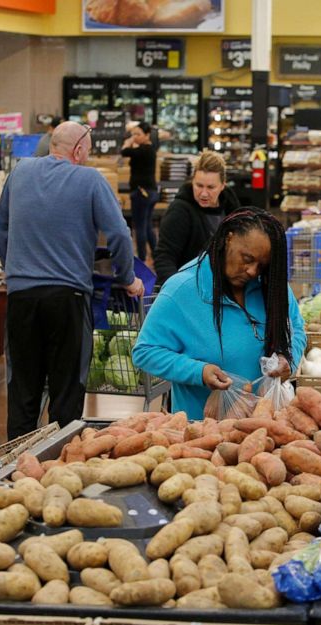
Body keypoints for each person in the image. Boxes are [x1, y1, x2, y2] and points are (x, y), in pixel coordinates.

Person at [0, 121, 144, 440]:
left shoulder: (19, 173)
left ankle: (14, 470)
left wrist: (15, 270)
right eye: (87, 152)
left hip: (20, 298)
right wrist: (127, 277)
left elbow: (2, 229)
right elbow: (118, 233)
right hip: (68, 299)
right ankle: (59, 467)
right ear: (78, 151)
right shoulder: (90, 179)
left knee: (23, 389)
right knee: (66, 392)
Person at [132, 208, 307, 420]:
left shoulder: (271, 287)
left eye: (261, 265)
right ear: (228, 239)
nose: (252, 271)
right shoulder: (183, 290)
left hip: (266, 427)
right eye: (247, 258)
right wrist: (199, 372)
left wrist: (289, 358)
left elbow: (296, 328)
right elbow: (145, 351)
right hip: (202, 432)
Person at [154, 150, 240, 286]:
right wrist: (178, 290)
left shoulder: (231, 207)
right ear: (192, 181)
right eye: (199, 186)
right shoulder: (179, 211)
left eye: (211, 187)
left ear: (223, 185)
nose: (204, 193)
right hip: (189, 286)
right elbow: (164, 257)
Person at [121, 121, 158, 261]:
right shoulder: (150, 149)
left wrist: (128, 141)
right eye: (133, 134)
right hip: (151, 191)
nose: (135, 136)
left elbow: (124, 151)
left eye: (138, 134)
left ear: (147, 135)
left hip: (141, 192)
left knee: (140, 227)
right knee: (147, 225)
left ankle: (141, 258)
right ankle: (155, 255)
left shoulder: (143, 150)